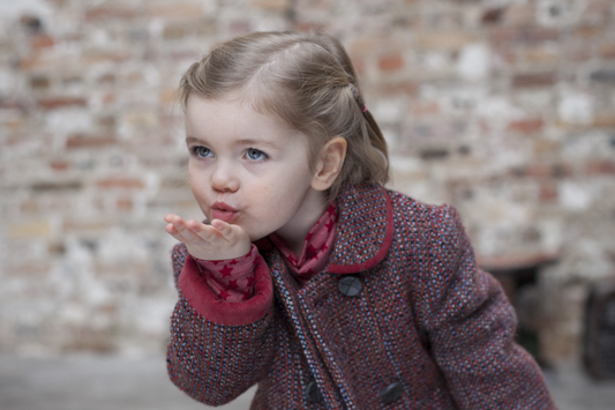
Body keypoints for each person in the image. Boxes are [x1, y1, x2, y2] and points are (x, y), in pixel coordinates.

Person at [163, 31, 557, 409]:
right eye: (202, 150)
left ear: (325, 163)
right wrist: (228, 278)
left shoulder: (422, 239)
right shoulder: (212, 264)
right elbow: (208, 387)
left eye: (253, 154)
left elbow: (490, 374)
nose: (218, 179)